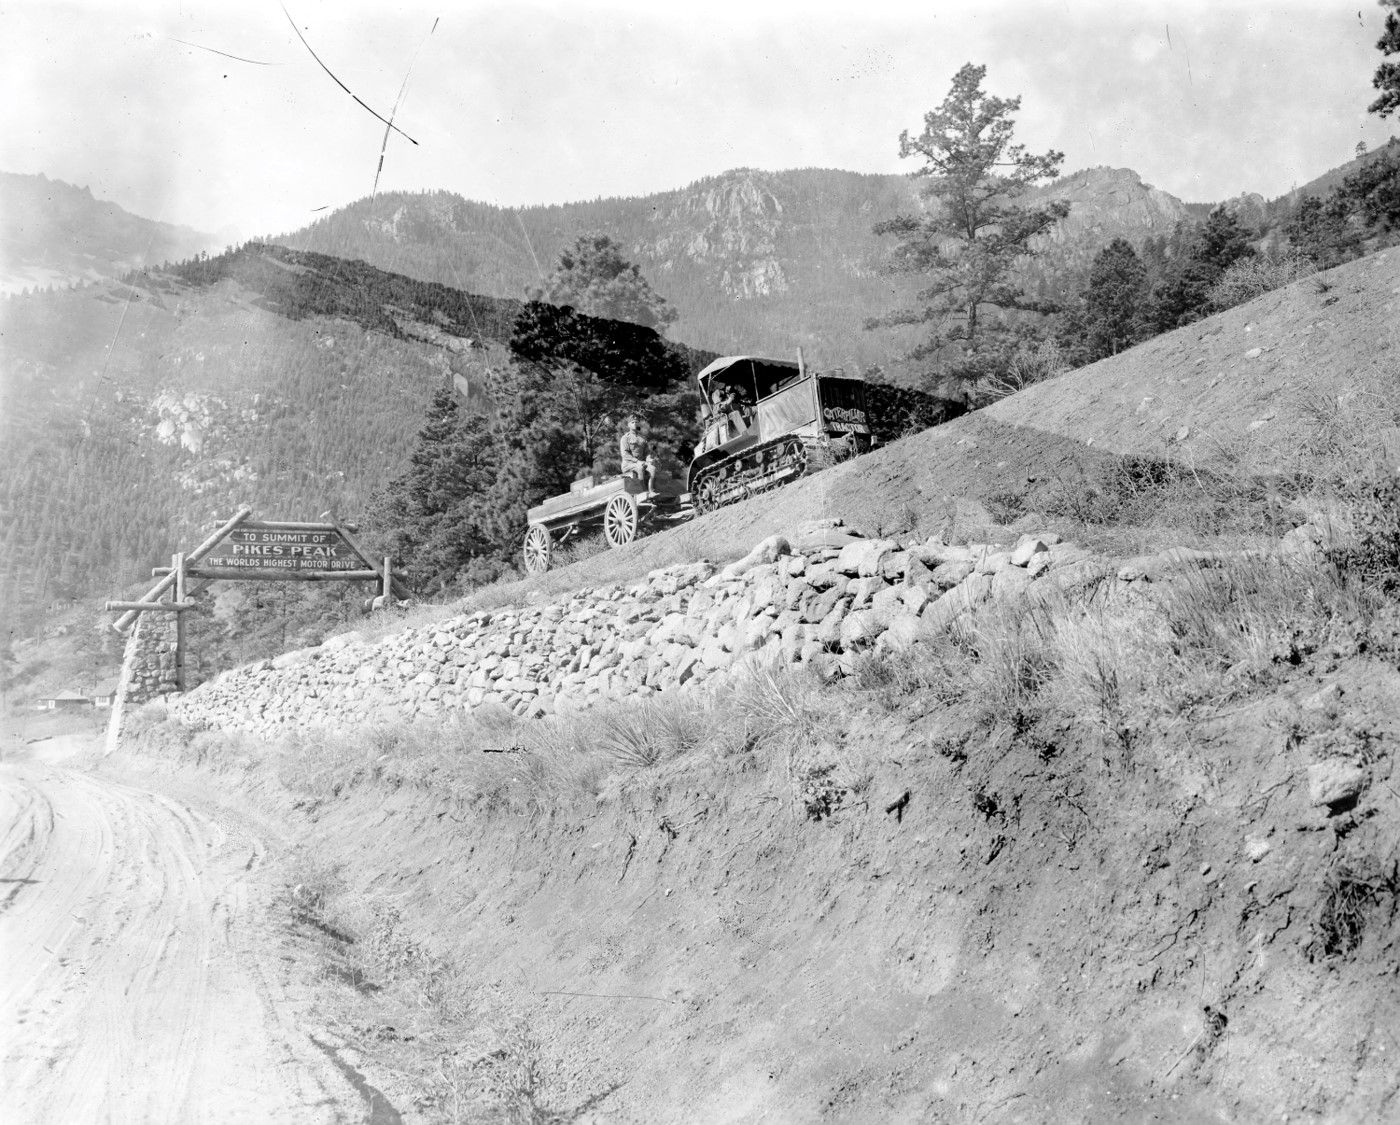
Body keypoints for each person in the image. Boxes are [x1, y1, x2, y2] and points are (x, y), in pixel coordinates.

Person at [619, 414, 655, 493]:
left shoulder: (642, 438)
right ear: (628, 425)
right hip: (628, 464)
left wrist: (649, 459)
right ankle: (642, 491)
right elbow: (625, 454)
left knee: (652, 468)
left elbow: (647, 452)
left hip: (642, 463)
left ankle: (651, 489)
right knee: (640, 468)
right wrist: (637, 461)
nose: (635, 423)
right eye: (632, 422)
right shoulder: (625, 438)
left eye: (636, 422)